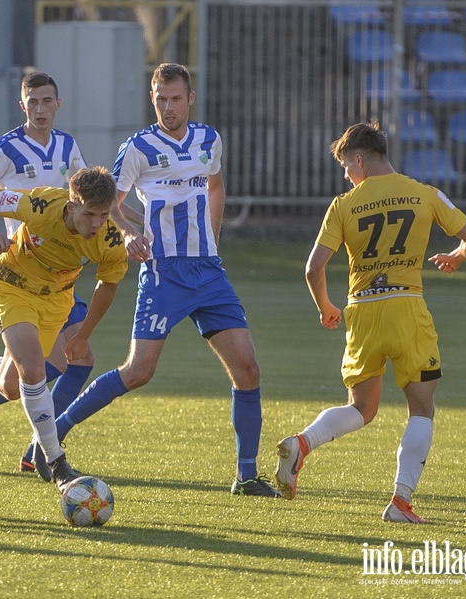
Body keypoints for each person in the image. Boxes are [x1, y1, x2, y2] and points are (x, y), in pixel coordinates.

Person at [51, 63, 280, 497]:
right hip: (163, 273)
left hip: (208, 272)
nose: (168, 106)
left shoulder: (208, 140)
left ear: (189, 98)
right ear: (151, 98)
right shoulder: (137, 147)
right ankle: (52, 435)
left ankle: (246, 475)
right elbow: (110, 204)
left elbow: (215, 186)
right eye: (160, 98)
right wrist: (132, 233)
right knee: (138, 372)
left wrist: (212, 237)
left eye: (175, 98)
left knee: (247, 370)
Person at [274, 122, 466, 522]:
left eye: (345, 166)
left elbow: (313, 268)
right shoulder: (424, 194)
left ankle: (302, 444)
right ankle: (400, 502)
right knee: (421, 408)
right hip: (407, 308)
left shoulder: (344, 204)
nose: (345, 175)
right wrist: (457, 256)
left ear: (359, 160)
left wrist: (325, 307)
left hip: (362, 311)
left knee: (362, 409)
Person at [0, 71, 100, 472]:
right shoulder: (8, 147)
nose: (41, 109)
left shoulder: (68, 146)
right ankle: (42, 451)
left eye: (48, 101)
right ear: (22, 105)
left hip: (63, 275)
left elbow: (89, 195)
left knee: (18, 381)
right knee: (71, 362)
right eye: (34, 102)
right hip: (23, 272)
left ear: (58, 105)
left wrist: (128, 223)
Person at [0, 166, 128, 492]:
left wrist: (83, 335)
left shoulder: (110, 240)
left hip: (56, 302)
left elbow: (107, 287)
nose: (97, 223)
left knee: (10, 385)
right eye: (89, 215)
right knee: (33, 369)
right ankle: (56, 461)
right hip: (12, 288)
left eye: (103, 214)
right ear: (71, 207)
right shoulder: (41, 205)